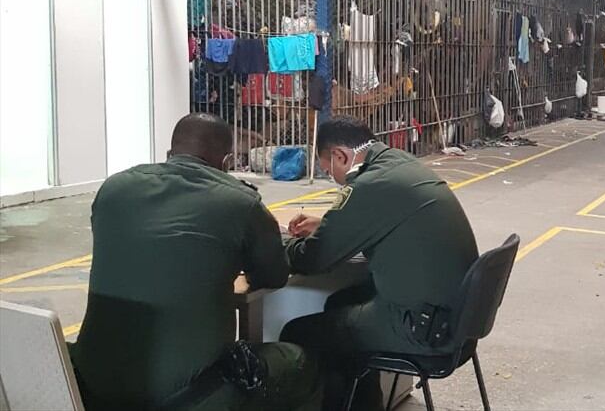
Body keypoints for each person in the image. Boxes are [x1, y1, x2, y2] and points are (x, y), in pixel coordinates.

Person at [69, 113, 319, 411]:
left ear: (168, 153)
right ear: (227, 163)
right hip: (189, 394)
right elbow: (274, 275)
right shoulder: (241, 203)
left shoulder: (114, 188)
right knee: (300, 363)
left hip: (92, 384)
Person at [279, 116, 480, 411]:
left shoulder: (369, 184)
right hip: (456, 321)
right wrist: (327, 225)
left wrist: (280, 240)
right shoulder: (398, 163)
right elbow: (383, 218)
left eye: (328, 169)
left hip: (422, 329)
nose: (333, 177)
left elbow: (312, 259)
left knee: (299, 333)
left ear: (340, 156)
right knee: (340, 304)